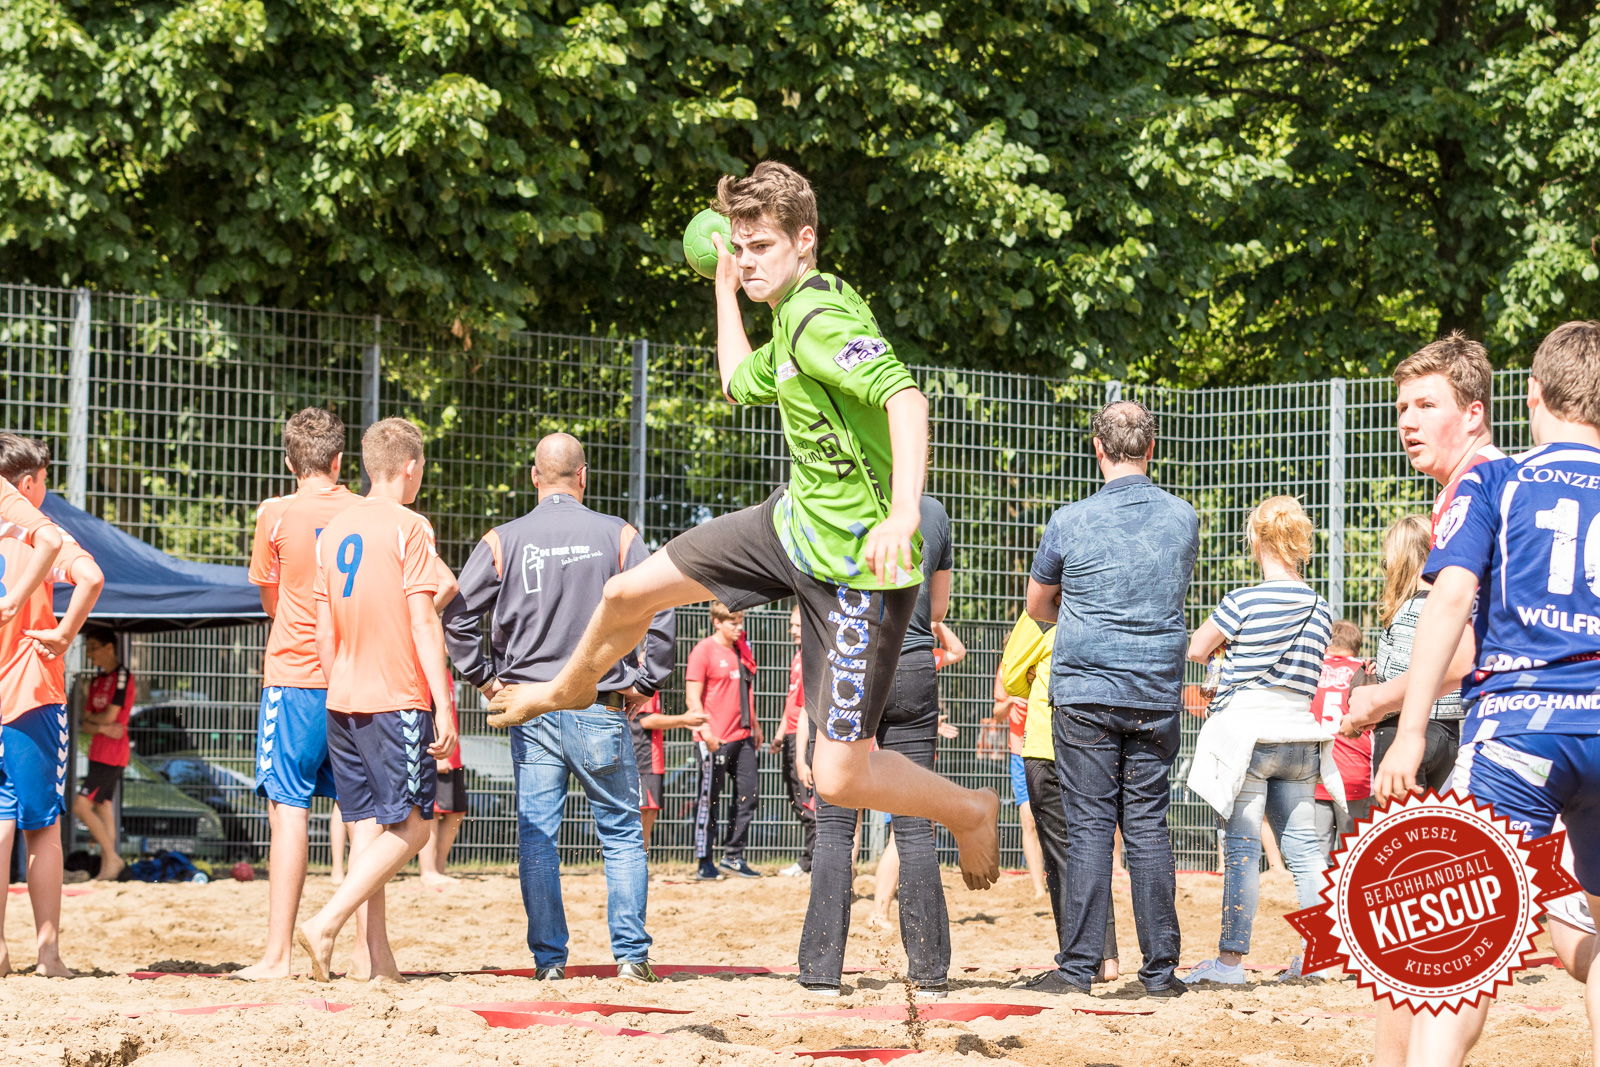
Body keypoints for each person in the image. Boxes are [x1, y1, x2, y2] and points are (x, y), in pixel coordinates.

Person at [483, 162, 1000, 890]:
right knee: (626, 592)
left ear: (805, 240)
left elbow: (906, 399)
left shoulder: (823, 317)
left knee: (839, 776)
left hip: (859, 571)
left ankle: (969, 808)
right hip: (791, 526)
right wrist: (725, 291)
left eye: (761, 245)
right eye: (740, 245)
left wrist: (906, 510)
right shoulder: (786, 318)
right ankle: (567, 687)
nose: (749, 258)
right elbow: (735, 381)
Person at [1373, 320, 1600, 1067]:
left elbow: (1457, 621)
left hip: (1520, 727)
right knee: (1581, 932)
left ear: (1516, 398)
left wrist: (1395, 719)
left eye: (1423, 405)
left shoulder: (1494, 479)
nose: (1406, 421)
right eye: (1401, 406)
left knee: (1445, 939)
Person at [443, 432, 674, 982]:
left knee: (539, 835)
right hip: (599, 700)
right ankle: (631, 959)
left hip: (530, 706)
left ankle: (549, 963)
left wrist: (482, 678)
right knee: (620, 832)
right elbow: (660, 604)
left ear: (534, 477)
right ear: (584, 476)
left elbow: (455, 614)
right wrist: (648, 678)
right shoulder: (618, 536)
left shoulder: (502, 540)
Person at [1023, 400, 1199, 997]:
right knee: (1148, 826)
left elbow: (1037, 605)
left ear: (1097, 448)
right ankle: (1160, 974)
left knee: (1090, 826)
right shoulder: (1183, 518)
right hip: (1154, 690)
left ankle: (1077, 972)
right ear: (1151, 448)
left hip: (1085, 691)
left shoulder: (1068, 521)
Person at [294, 418, 459, 983]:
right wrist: (443, 702)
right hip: (395, 695)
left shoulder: (335, 528)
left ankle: (377, 963)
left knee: (368, 826)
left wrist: (339, 678)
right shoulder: (411, 526)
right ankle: (326, 922)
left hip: (342, 694)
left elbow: (321, 628)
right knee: (413, 828)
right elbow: (423, 619)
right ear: (410, 469)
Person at [800, 493, 956, 999]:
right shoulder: (930, 512)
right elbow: (940, 608)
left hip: (848, 664)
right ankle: (930, 973)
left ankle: (822, 972)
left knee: (835, 826)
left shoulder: (832, 502)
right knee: (914, 827)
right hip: (910, 663)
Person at [1184, 495, 1337, 984]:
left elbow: (1196, 648)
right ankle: (1321, 956)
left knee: (1243, 849)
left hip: (1248, 736)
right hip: (1299, 736)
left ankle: (1230, 963)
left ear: (1257, 539)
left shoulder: (1242, 600)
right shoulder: (1322, 608)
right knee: (1306, 853)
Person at [235, 407, 362, 979]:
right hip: (359, 679)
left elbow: (270, 600)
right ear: (340, 461)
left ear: (290, 461)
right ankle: (366, 955)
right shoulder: (366, 512)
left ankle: (278, 957)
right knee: (364, 816)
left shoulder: (276, 513)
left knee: (288, 809)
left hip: (295, 675)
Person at [0, 434, 103, 977]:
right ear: (27, 484)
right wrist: (64, 633)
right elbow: (92, 578)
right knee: (41, 826)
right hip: (30, 694)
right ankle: (48, 954)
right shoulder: (43, 532)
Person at [1002, 610, 1119, 982]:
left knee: (1062, 856)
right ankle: (1107, 958)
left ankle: (1078, 961)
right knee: (1092, 849)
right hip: (1097, 745)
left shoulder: (1040, 616)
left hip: (1047, 744)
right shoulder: (1104, 607)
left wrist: (1039, 678)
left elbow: (1011, 680)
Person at [1338, 516, 1465, 788]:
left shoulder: (1410, 611)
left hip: (1405, 733)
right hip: (1451, 734)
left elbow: (1404, 684)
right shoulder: (1453, 611)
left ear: (1398, 563)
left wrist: (1358, 718)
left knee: (1400, 828)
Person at [687, 602, 763, 879]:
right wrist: (705, 733)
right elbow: (692, 698)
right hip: (714, 739)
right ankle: (704, 861)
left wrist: (754, 724)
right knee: (709, 801)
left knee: (749, 795)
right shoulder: (703, 650)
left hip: (743, 737)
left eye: (740, 621)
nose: (739, 627)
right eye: (733, 622)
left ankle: (733, 856)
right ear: (717, 622)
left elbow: (746, 688)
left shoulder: (742, 649)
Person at [72, 624, 134, 881]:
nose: (90, 654)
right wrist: (102, 725)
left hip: (113, 754)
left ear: (110, 648)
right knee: (103, 806)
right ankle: (109, 866)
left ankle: (112, 857)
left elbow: (109, 716)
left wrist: (98, 722)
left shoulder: (121, 675)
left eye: (94, 648)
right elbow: (85, 723)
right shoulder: (97, 680)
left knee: (80, 806)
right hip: (99, 750)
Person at [1310, 619, 1371, 864]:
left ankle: (1315, 902)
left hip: (1315, 770)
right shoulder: (1366, 670)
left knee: (1315, 856)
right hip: (1354, 773)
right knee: (1355, 854)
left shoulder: (1311, 668)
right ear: (1356, 648)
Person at [629, 691, 706, 854]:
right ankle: (633, 862)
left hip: (653, 761)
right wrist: (683, 719)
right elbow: (646, 720)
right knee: (640, 813)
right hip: (642, 759)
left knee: (650, 810)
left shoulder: (651, 681)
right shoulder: (642, 679)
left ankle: (640, 859)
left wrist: (683, 722)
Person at [771, 605, 815, 877]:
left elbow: (806, 707)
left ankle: (810, 861)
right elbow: (792, 702)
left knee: (807, 799)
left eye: (797, 625)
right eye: (792, 625)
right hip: (789, 735)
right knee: (796, 798)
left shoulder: (814, 656)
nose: (792, 630)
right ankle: (809, 859)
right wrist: (779, 733)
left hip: (806, 737)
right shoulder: (798, 656)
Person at [418, 687, 466, 887]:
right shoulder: (428, 670)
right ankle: (427, 871)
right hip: (437, 754)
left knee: (456, 811)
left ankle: (439, 869)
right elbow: (424, 712)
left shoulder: (445, 673)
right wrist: (433, 753)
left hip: (453, 756)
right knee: (433, 813)